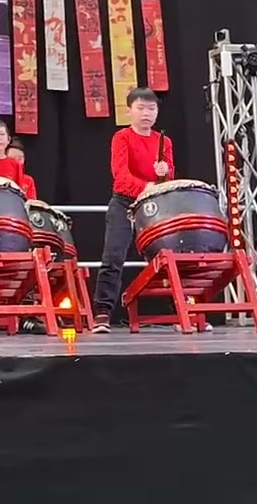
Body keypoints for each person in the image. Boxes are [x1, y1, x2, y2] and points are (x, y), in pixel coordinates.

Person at [94, 87, 174, 333]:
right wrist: (148, 185)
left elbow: (171, 177)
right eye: (140, 108)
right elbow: (120, 177)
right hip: (125, 202)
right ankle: (102, 313)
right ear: (128, 111)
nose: (146, 113)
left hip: (154, 205)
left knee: (168, 258)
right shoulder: (122, 137)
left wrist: (165, 174)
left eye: (152, 108)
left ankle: (184, 309)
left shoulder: (164, 141)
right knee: (113, 256)